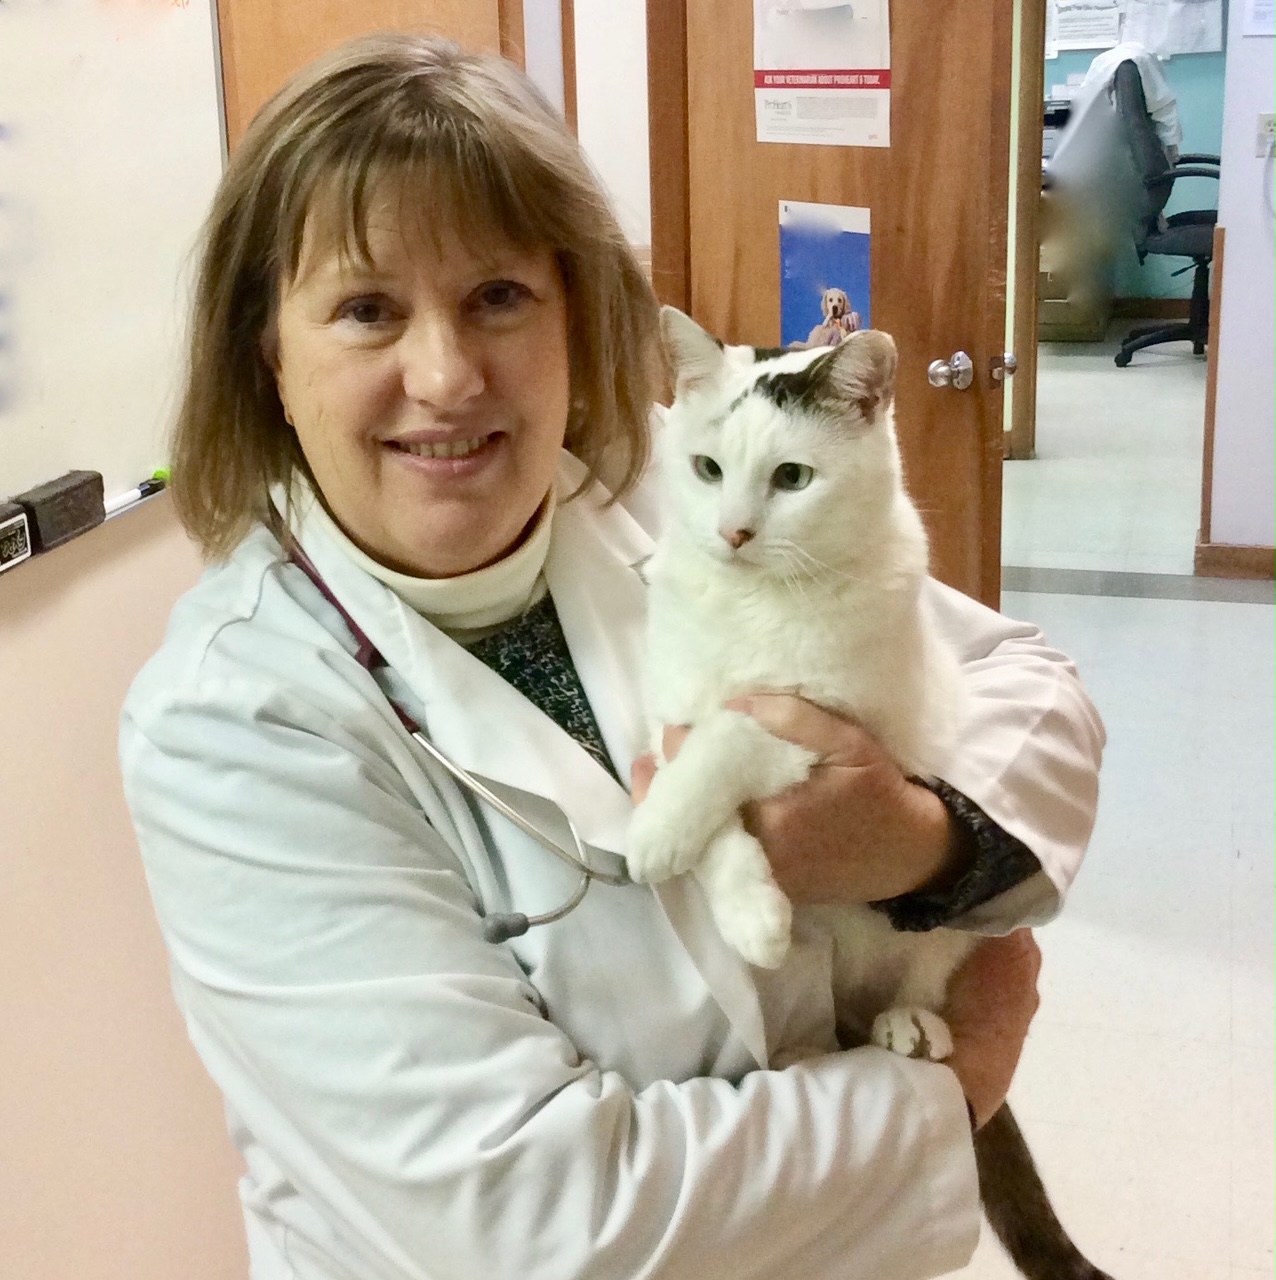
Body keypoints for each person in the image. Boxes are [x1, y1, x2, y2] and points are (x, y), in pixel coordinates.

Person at [120, 33, 1104, 1280]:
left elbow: (1034, 687)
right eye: (368, 308)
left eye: (497, 296)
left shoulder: (668, 488)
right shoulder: (235, 721)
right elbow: (535, 1224)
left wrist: (918, 839)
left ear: (573, 315)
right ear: (270, 348)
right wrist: (950, 1091)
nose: (445, 374)